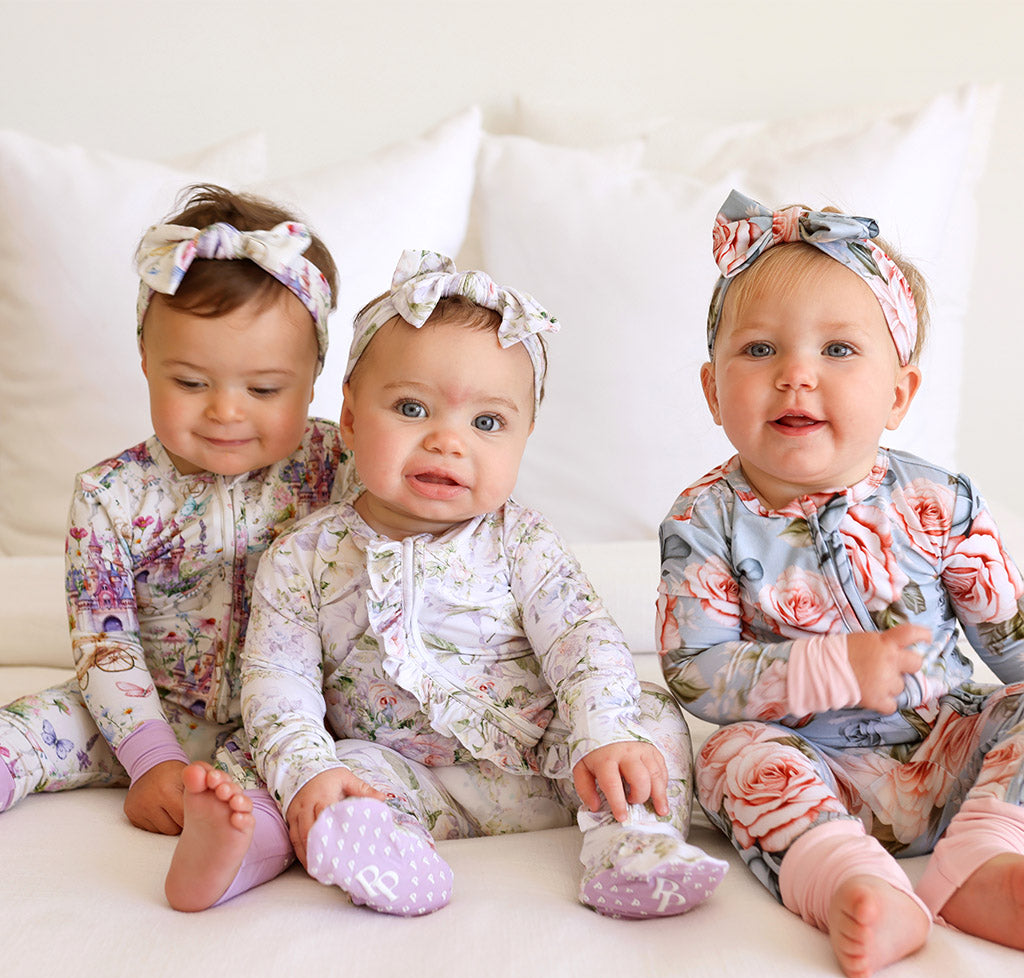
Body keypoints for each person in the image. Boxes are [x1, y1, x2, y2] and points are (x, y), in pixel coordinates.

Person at [166, 249, 727, 917]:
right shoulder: (304, 557)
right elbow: (276, 685)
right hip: (404, 773)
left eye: (486, 423)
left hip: (554, 768)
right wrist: (312, 773)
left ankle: (633, 845)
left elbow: (582, 641)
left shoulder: (520, 541)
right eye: (411, 407)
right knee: (314, 769)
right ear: (348, 417)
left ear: (523, 440)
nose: (447, 441)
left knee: (650, 716)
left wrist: (603, 733)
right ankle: (377, 852)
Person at [656, 190, 1024, 978]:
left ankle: (981, 862)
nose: (795, 375)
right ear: (712, 389)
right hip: (813, 766)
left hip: (949, 750)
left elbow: (1012, 641)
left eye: (838, 351)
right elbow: (695, 671)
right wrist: (830, 666)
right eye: (759, 351)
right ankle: (852, 880)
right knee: (727, 757)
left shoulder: (940, 502)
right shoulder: (703, 520)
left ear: (898, 394)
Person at [0, 185, 347, 865]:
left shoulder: (338, 470)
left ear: (313, 379)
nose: (224, 411)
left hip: (290, 720)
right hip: (139, 708)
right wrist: (149, 758)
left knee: (337, 769)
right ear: (145, 364)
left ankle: (243, 838)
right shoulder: (111, 496)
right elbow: (107, 646)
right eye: (190, 382)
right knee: (28, 728)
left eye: (264, 389)